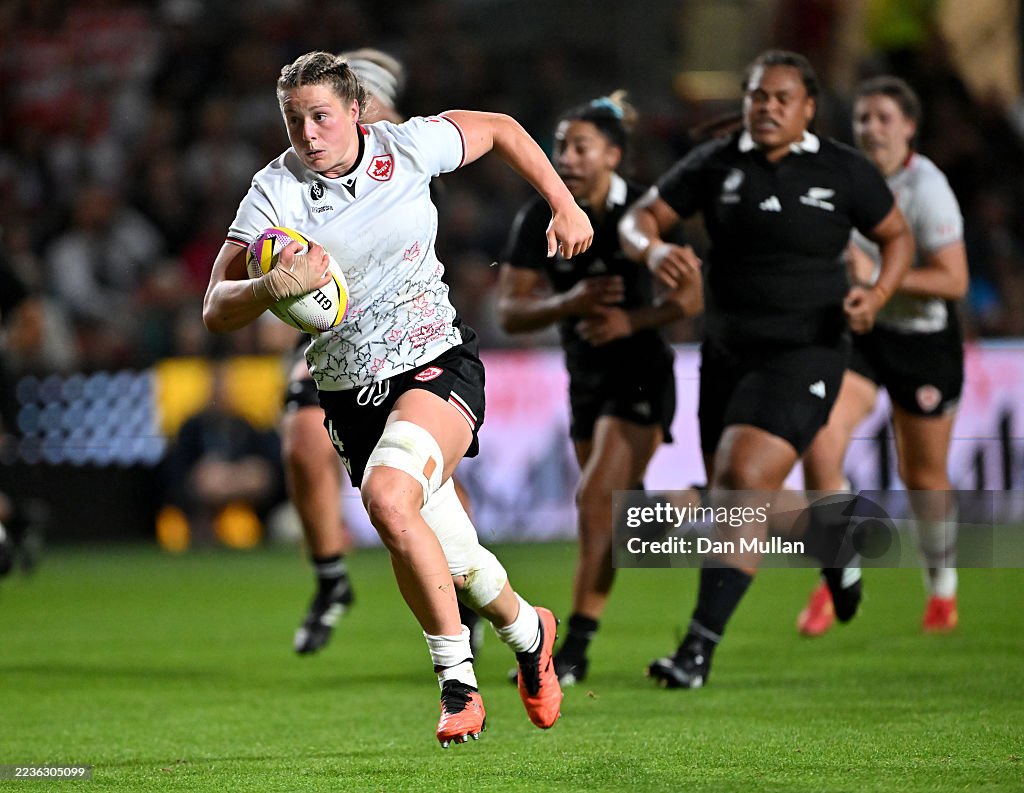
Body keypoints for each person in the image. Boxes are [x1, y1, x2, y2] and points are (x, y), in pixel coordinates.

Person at [203, 51, 592, 745]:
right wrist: (268, 289)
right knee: (455, 556)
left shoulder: (406, 148)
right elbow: (215, 305)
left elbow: (501, 129)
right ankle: (531, 631)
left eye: (321, 116)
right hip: (351, 392)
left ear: (355, 111)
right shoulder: (274, 191)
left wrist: (563, 203)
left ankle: (457, 682)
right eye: (294, 120)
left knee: (388, 499)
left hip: (435, 362)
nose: (308, 133)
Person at [618, 50, 914, 688]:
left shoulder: (843, 170)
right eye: (757, 96)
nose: (768, 107)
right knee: (734, 495)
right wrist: (657, 247)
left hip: (806, 351)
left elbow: (897, 237)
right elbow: (638, 220)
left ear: (808, 107)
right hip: (725, 353)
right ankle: (832, 540)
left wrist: (880, 294)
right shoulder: (715, 165)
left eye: (782, 98)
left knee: (742, 480)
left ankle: (696, 652)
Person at [283, 47, 483, 657]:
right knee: (300, 439)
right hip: (331, 328)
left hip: (408, 325)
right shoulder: (294, 170)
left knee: (421, 481)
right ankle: (331, 580)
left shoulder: (404, 151)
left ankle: (466, 584)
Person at [498, 92, 697, 685]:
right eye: (561, 146)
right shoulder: (542, 217)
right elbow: (510, 310)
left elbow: (691, 299)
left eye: (580, 146)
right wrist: (572, 302)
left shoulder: (645, 214)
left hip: (640, 374)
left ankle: (574, 649)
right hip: (584, 379)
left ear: (613, 154)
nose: (566, 157)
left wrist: (631, 322)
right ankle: (698, 505)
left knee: (595, 503)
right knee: (620, 519)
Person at [797, 76, 967, 636]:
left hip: (922, 341)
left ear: (909, 127)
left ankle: (942, 590)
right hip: (861, 334)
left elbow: (954, 279)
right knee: (822, 438)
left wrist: (879, 281)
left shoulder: (928, 188)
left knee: (924, 476)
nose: (870, 127)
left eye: (883, 118)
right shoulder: (844, 178)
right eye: (863, 117)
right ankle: (837, 574)